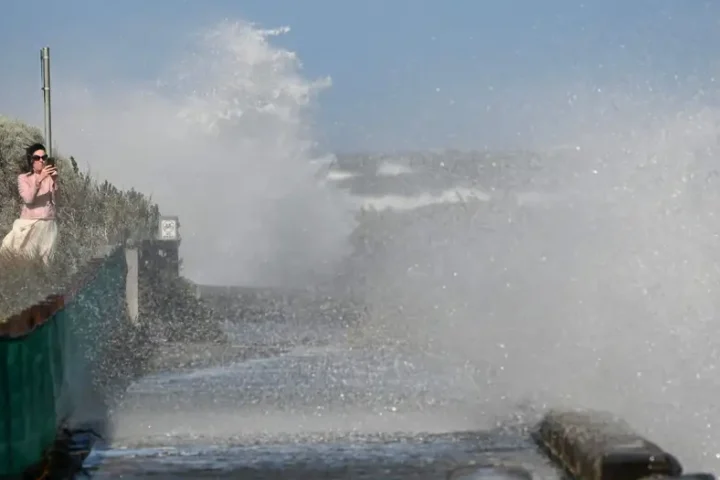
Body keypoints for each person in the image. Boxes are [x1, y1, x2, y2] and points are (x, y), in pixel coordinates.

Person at [0, 143, 58, 264]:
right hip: (29, 224)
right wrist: (39, 180)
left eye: (44, 157)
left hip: (48, 225)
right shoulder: (23, 178)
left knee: (45, 263)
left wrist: (54, 182)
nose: (41, 161)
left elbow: (57, 200)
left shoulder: (50, 178)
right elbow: (28, 199)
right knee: (13, 255)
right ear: (31, 160)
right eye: (37, 158)